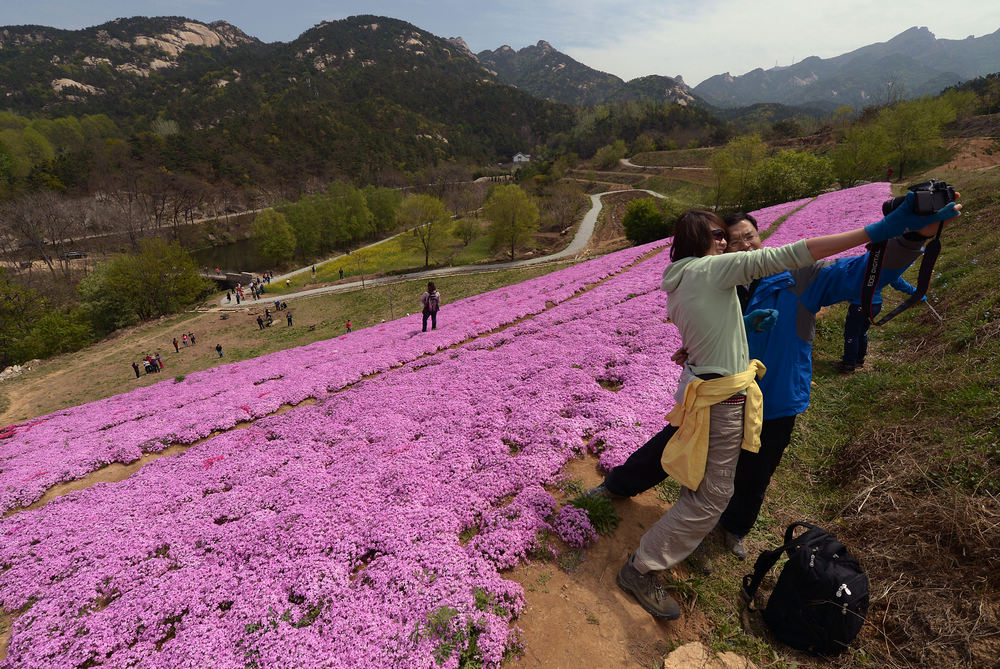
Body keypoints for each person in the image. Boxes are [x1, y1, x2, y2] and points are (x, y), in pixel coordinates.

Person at [610, 196, 960, 621]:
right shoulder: (720, 278)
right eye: (726, 237)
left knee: (754, 473)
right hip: (721, 396)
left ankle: (732, 529)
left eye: (748, 237)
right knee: (678, 459)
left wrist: (910, 239)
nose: (740, 246)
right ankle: (628, 502)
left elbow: (860, 274)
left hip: (772, 398)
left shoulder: (793, 278)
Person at [836, 276, 917, 373]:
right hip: (875, 305)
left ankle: (848, 364)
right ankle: (859, 359)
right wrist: (916, 292)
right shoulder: (885, 266)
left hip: (859, 304)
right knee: (862, 331)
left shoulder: (862, 263)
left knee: (852, 334)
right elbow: (898, 282)